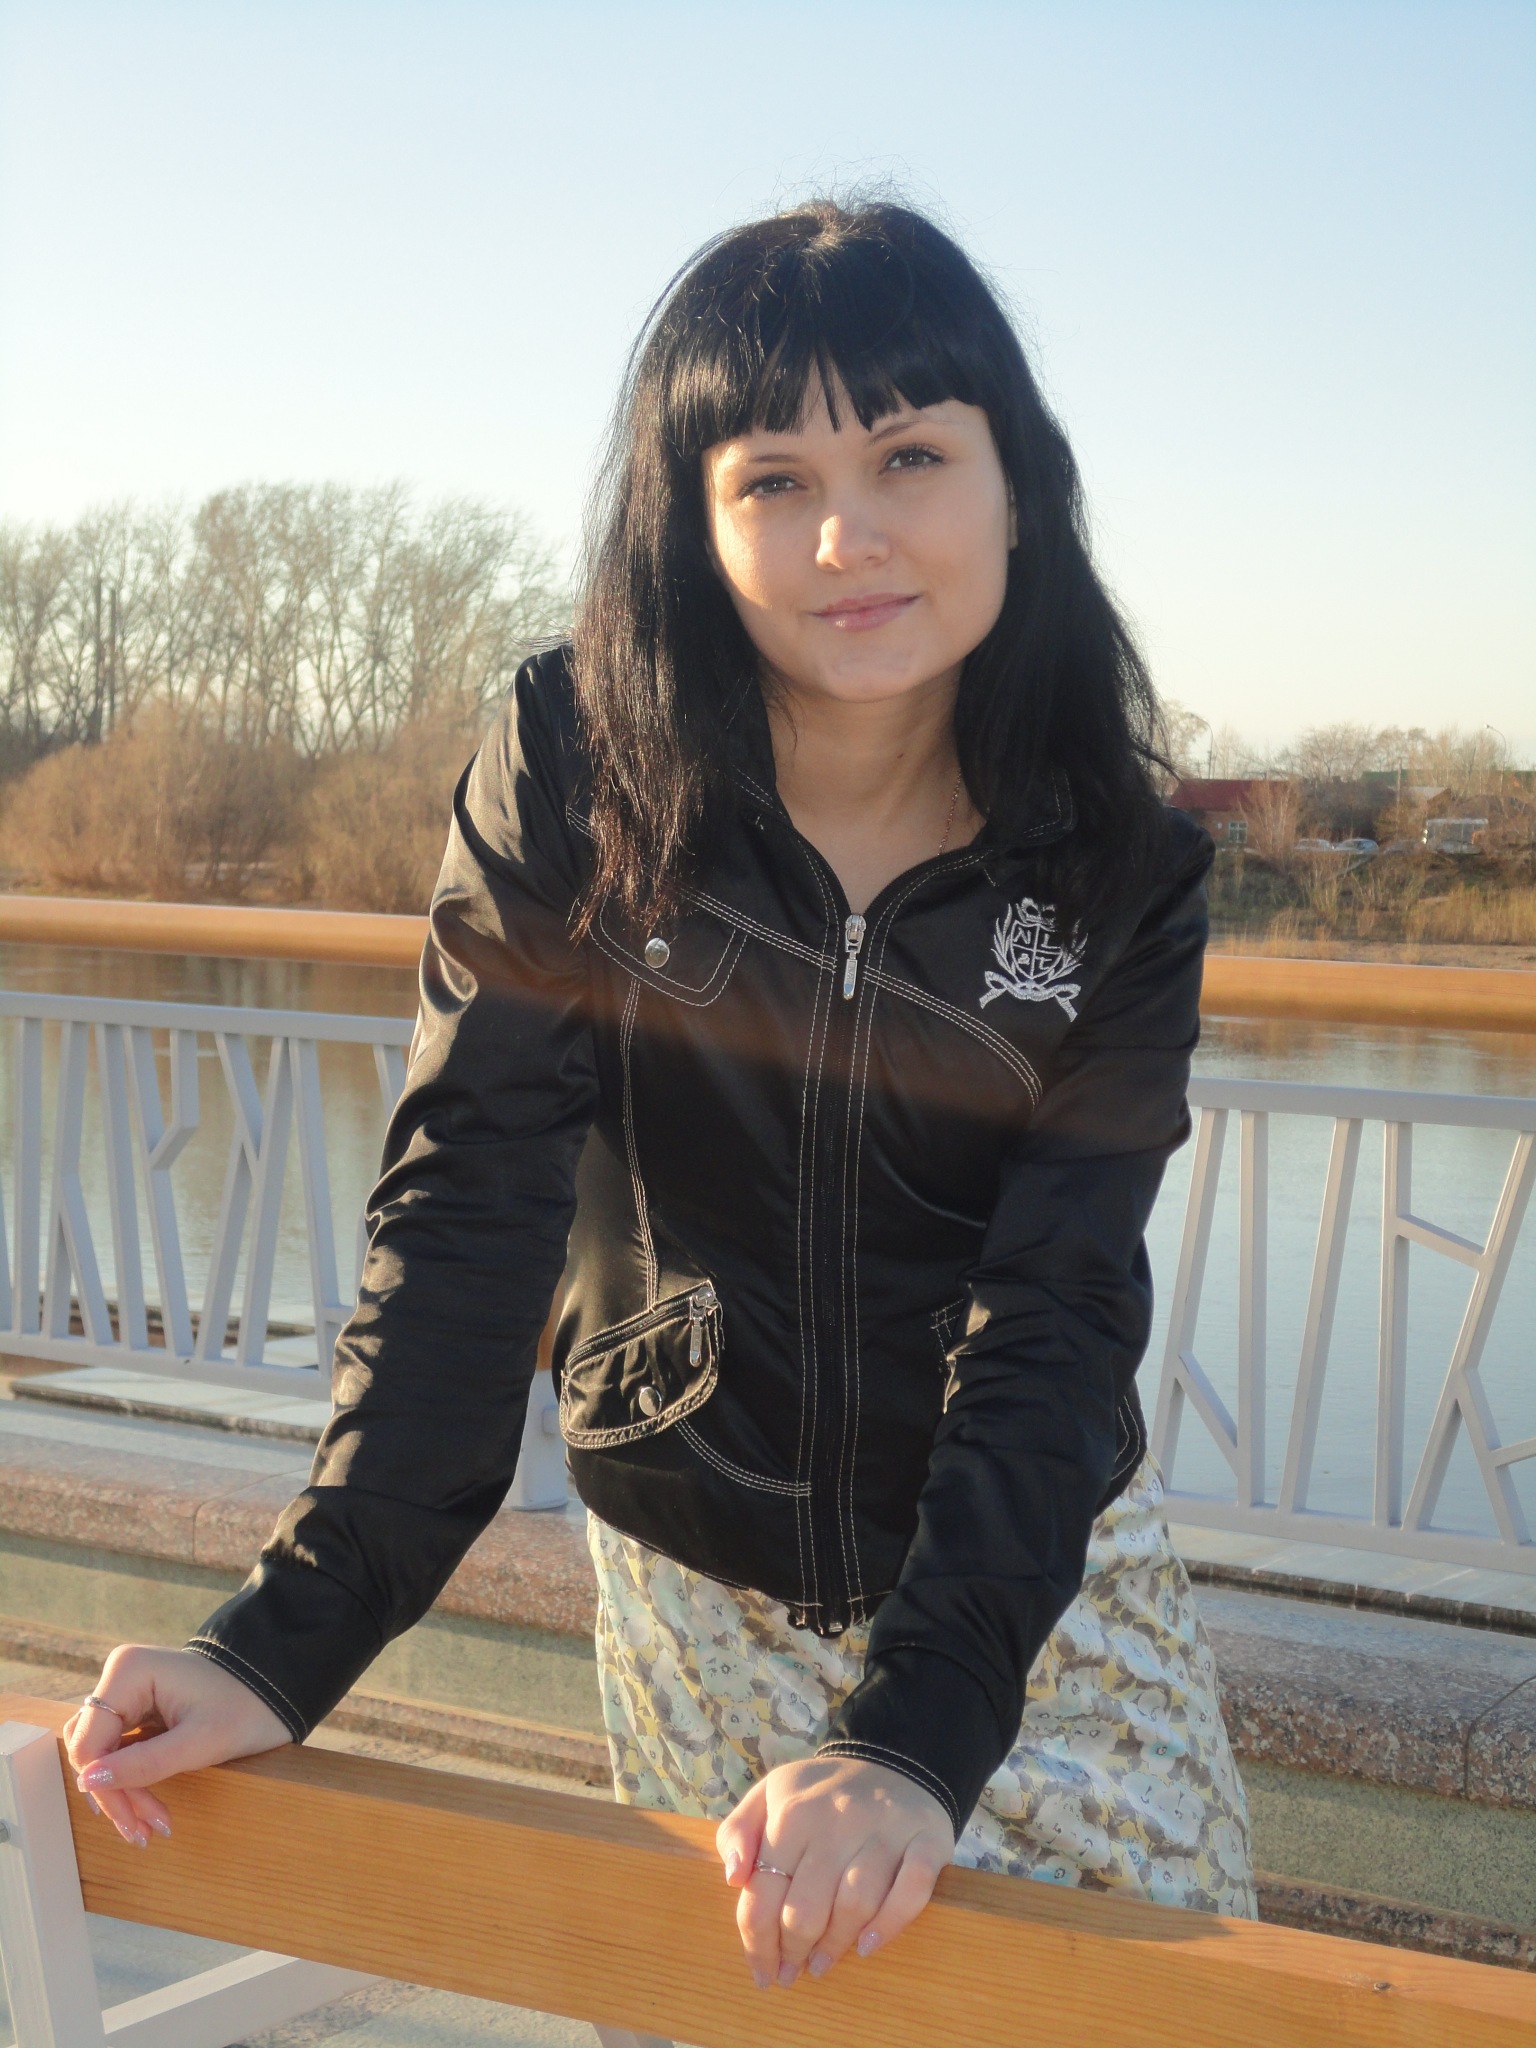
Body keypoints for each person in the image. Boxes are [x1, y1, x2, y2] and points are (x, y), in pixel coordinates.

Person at [67, 198, 1255, 1988]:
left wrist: (916, 1735)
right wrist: (285, 1636)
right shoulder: (577, 769)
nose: (850, 534)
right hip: (700, 1591)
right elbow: (471, 1204)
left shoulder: (1120, 869)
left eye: (911, 454)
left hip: (1039, 1592)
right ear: (690, 524)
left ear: (1018, 482)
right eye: (773, 479)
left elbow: (1059, 1307)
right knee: (752, 2019)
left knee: (1171, 2008)